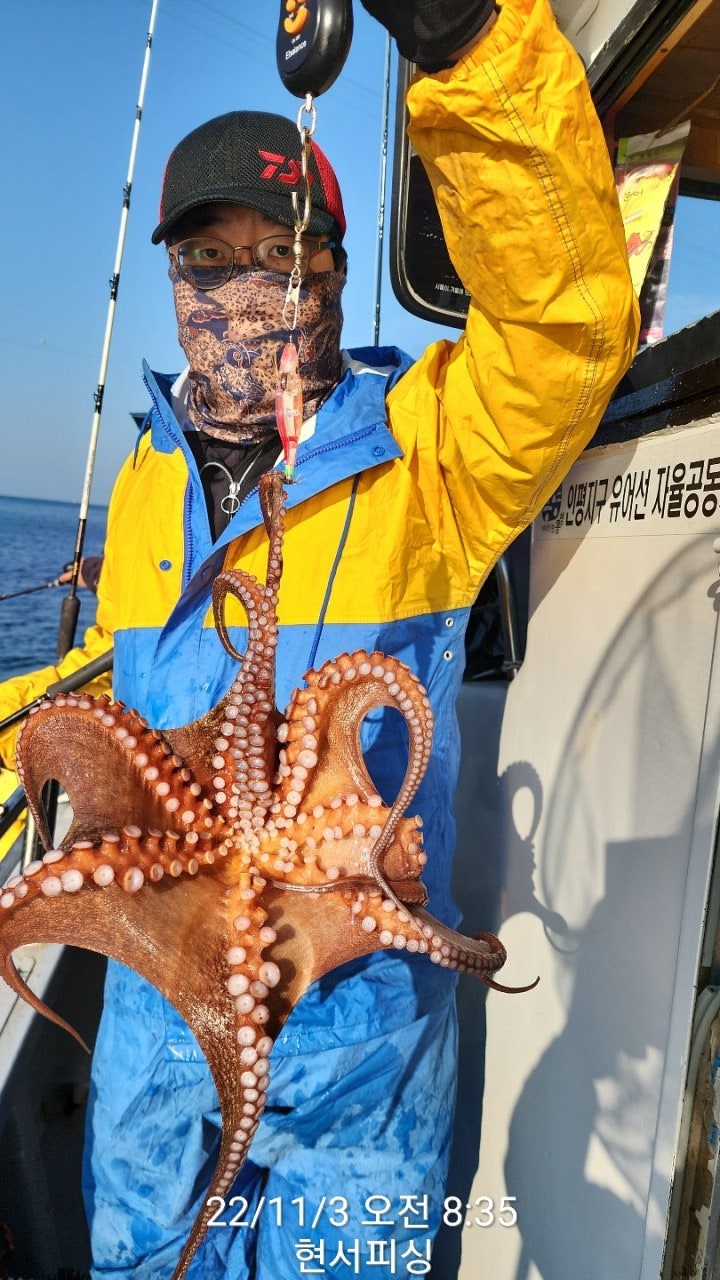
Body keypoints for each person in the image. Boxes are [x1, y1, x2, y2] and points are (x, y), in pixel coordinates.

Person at [0, 0, 639, 1275]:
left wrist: (469, 47)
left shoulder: (432, 453)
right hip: (152, 1022)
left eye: (277, 254)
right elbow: (120, 699)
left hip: (361, 1049)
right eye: (208, 256)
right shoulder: (146, 479)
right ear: (173, 277)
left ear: (333, 270)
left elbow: (564, 333)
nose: (243, 289)